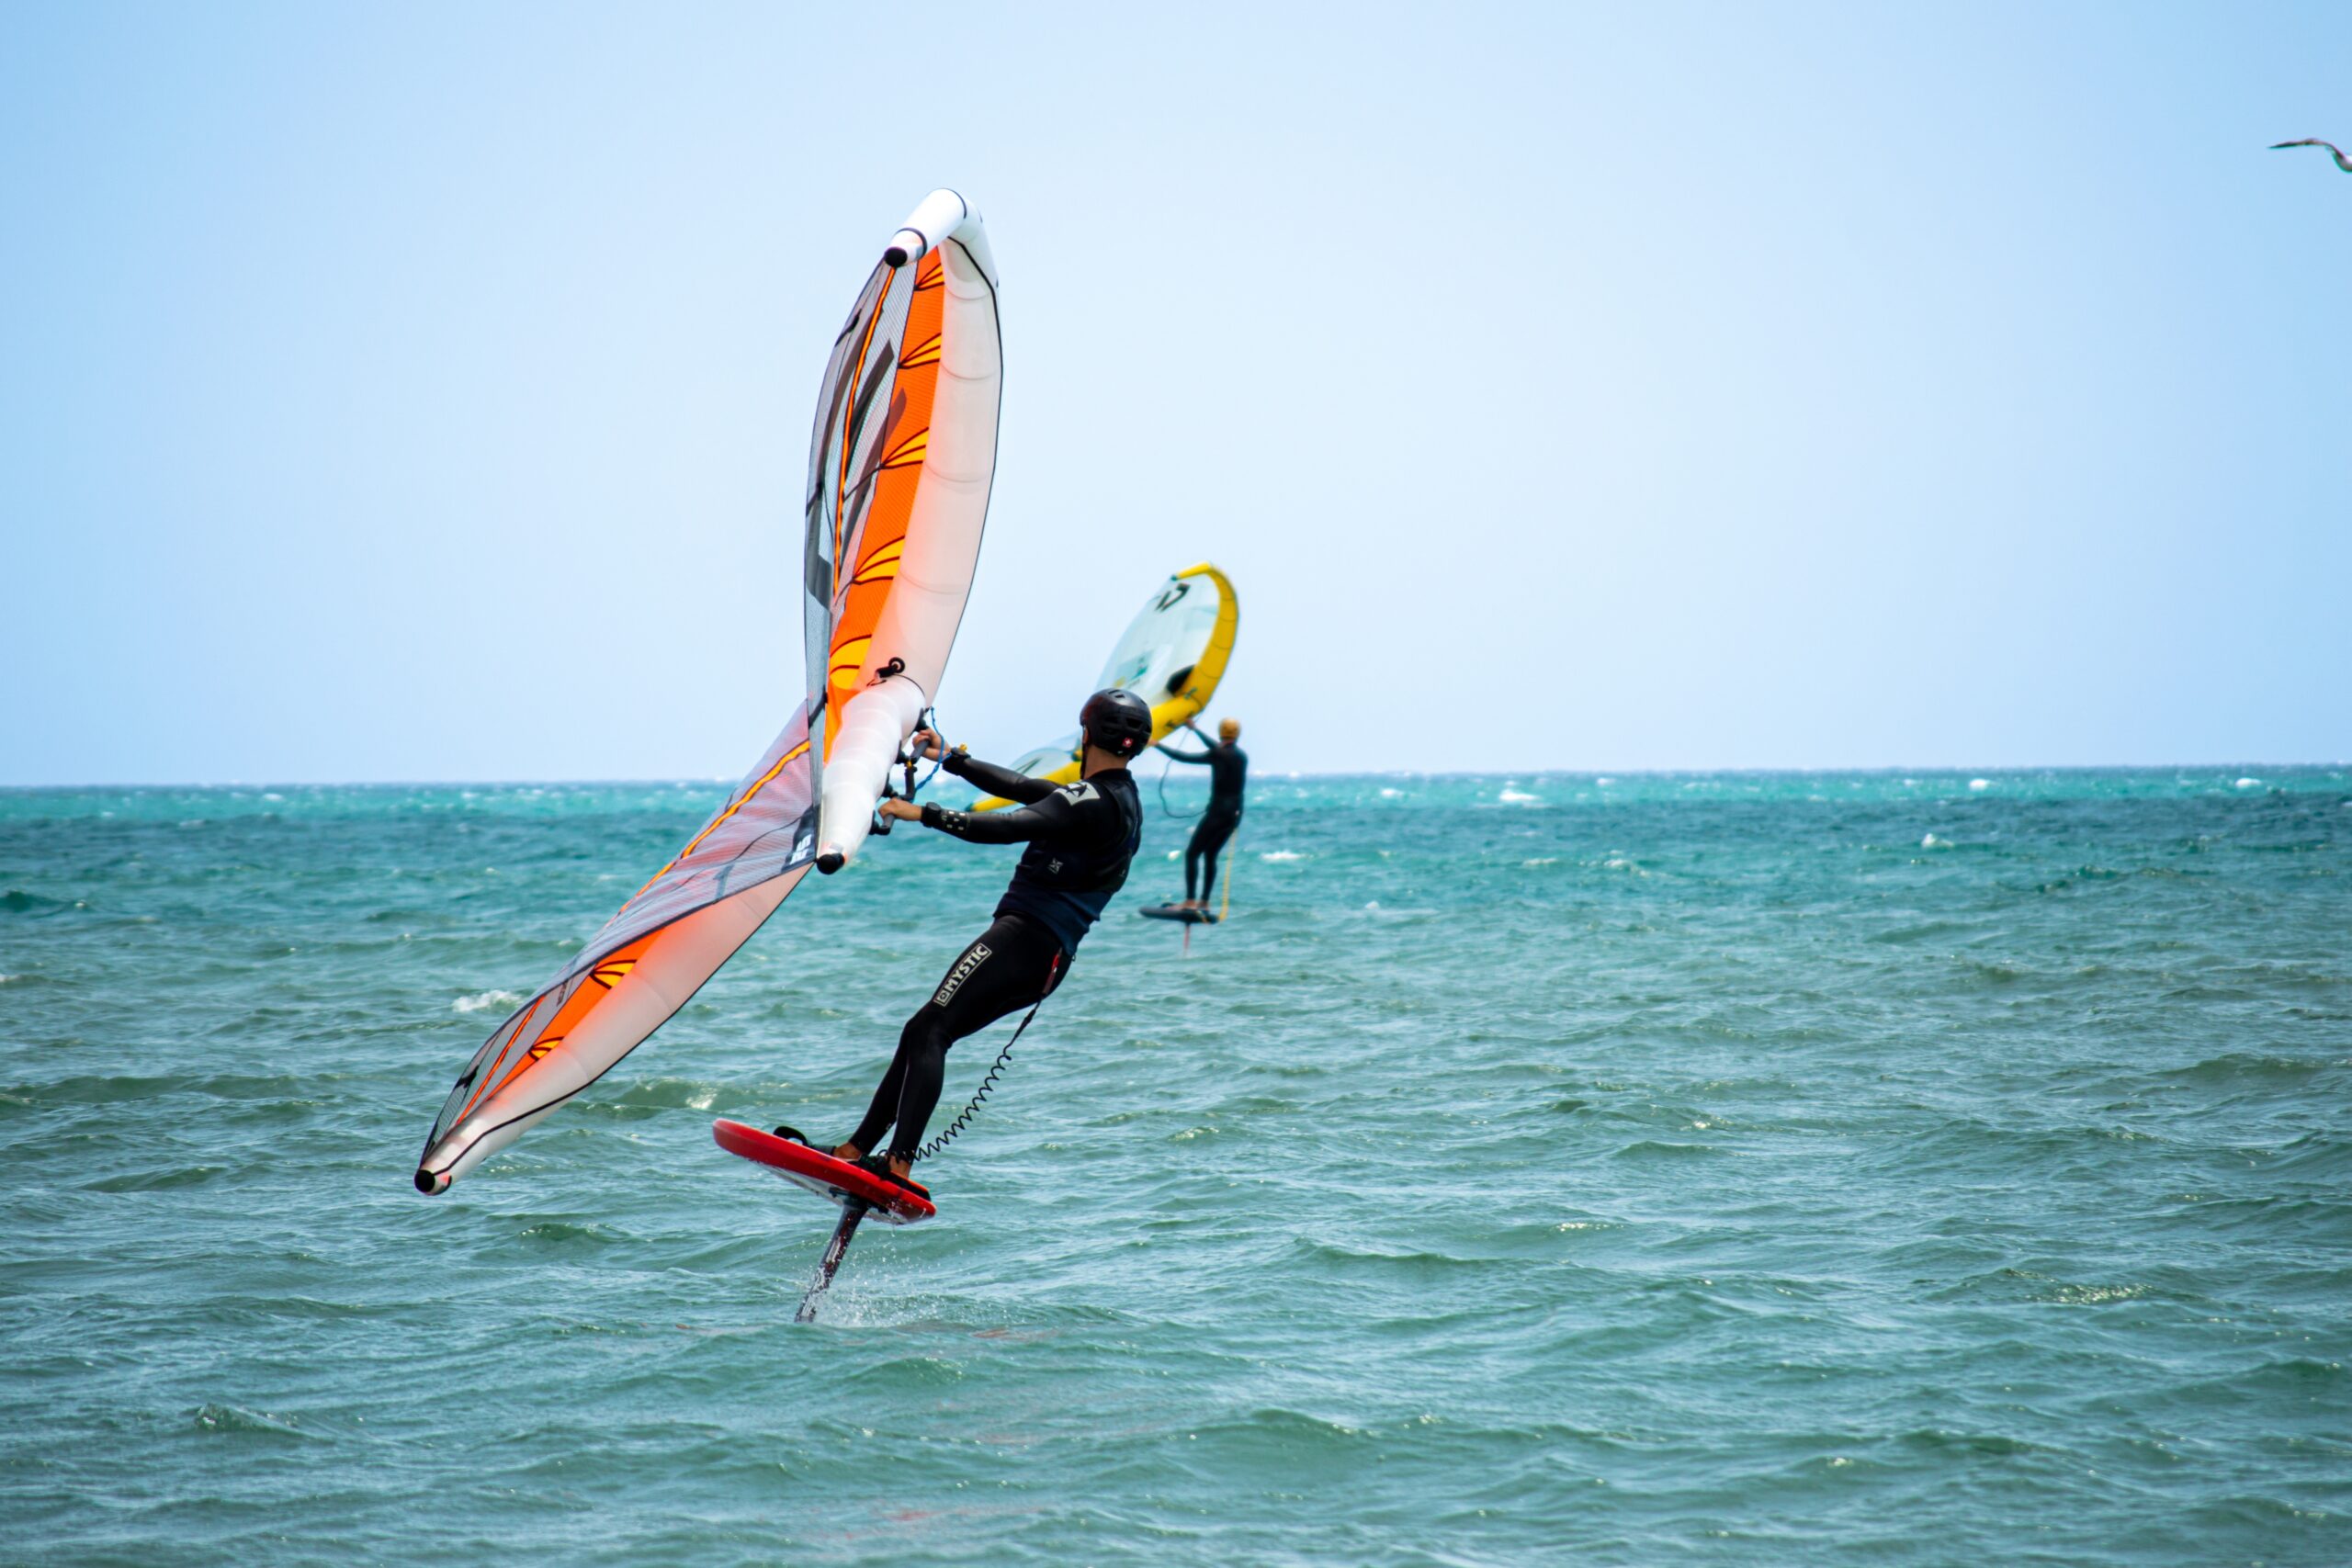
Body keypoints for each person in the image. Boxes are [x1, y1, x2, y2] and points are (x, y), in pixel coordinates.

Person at [816, 688, 1148, 1199]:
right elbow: (1023, 787)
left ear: (1085, 734)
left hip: (1024, 940)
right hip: (1047, 960)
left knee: (929, 1028)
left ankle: (896, 1165)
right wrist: (952, 759)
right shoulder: (1119, 800)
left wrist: (923, 813)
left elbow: (1010, 824)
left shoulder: (1089, 800)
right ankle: (857, 1153)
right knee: (925, 1031)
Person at [1156, 716, 1247, 911]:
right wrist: (1194, 729)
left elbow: (1184, 757)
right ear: (1237, 734)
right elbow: (1218, 748)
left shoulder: (1218, 754)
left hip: (1217, 813)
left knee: (1192, 854)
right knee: (1210, 855)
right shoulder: (1241, 756)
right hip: (1234, 815)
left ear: (1220, 732)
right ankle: (1204, 902)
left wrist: (1157, 745)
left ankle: (1189, 901)